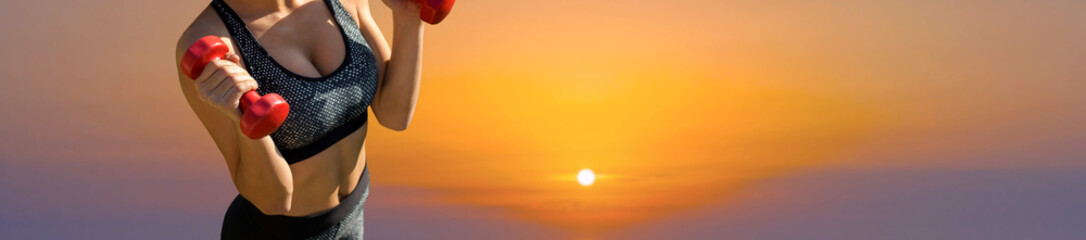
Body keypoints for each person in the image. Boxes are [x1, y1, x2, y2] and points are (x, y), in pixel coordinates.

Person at [173, 0, 424, 238]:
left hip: (353, 214)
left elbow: (394, 115)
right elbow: (274, 200)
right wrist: (240, 119)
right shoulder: (211, 45)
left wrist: (409, 17)